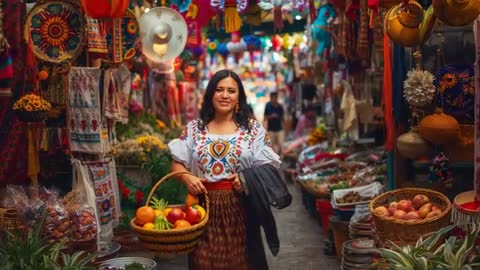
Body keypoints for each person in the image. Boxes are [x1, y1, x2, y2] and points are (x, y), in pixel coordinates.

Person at [168, 70, 282, 270]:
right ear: (211, 94)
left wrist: (246, 178)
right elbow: (177, 163)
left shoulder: (253, 130)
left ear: (239, 97)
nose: (224, 95)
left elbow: (269, 167)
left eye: (231, 90)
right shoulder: (195, 128)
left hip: (242, 210)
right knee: (203, 263)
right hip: (202, 211)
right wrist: (187, 177)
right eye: (219, 89)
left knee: (241, 263)